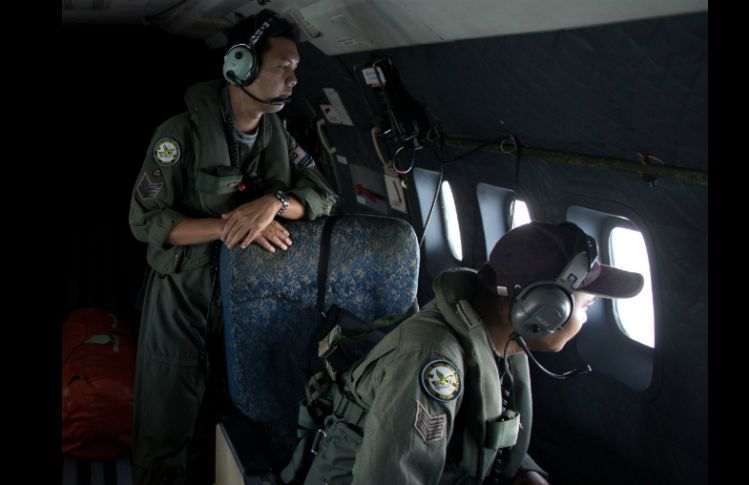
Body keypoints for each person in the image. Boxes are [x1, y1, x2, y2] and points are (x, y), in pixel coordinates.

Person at [128, 9, 337, 485]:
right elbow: (147, 221)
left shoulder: (278, 136)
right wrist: (230, 226)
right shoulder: (178, 135)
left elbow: (323, 195)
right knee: (165, 424)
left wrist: (274, 203)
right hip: (181, 296)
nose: (293, 78)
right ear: (240, 66)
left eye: (296, 68)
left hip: (248, 302)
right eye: (283, 66)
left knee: (229, 423)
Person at [297, 222, 643, 484]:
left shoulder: (499, 339)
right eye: (586, 305)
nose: (585, 317)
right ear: (543, 311)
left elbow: (483, 428)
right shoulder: (433, 365)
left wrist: (527, 474)